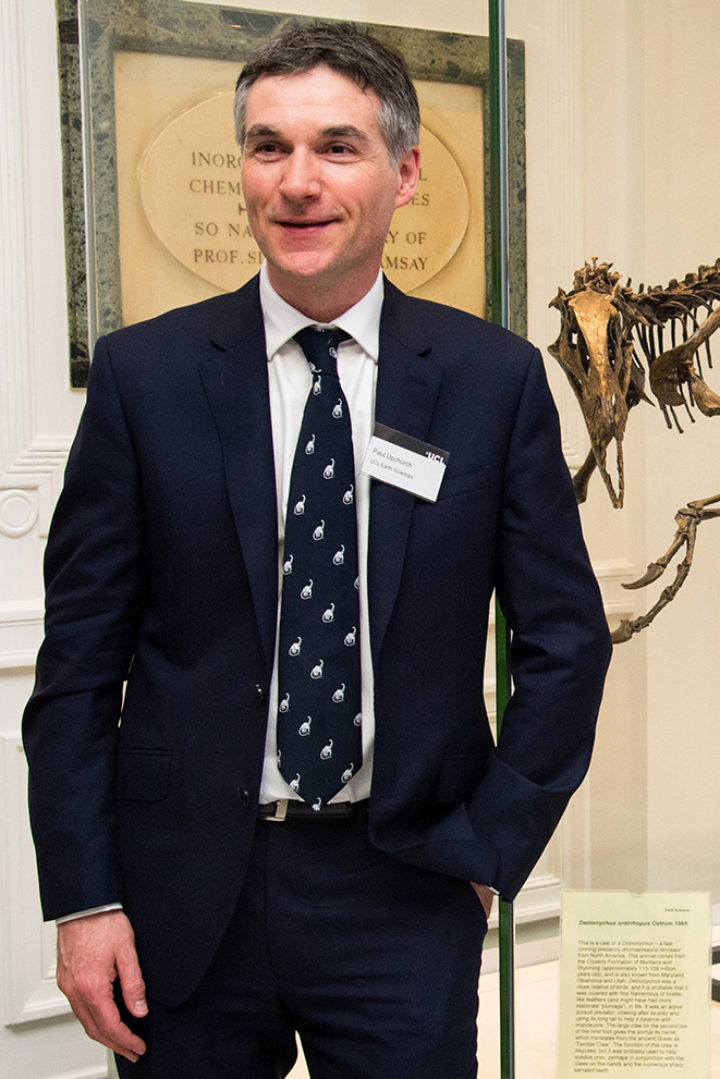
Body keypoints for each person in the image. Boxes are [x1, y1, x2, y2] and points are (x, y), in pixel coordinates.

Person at [23, 20, 612, 1078]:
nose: (298, 181)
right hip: (181, 900)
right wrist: (84, 895)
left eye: (337, 146)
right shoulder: (144, 379)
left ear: (405, 172)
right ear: (244, 169)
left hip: (402, 885)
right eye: (268, 147)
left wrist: (488, 846)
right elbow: (74, 671)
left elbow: (566, 640)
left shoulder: (493, 381)